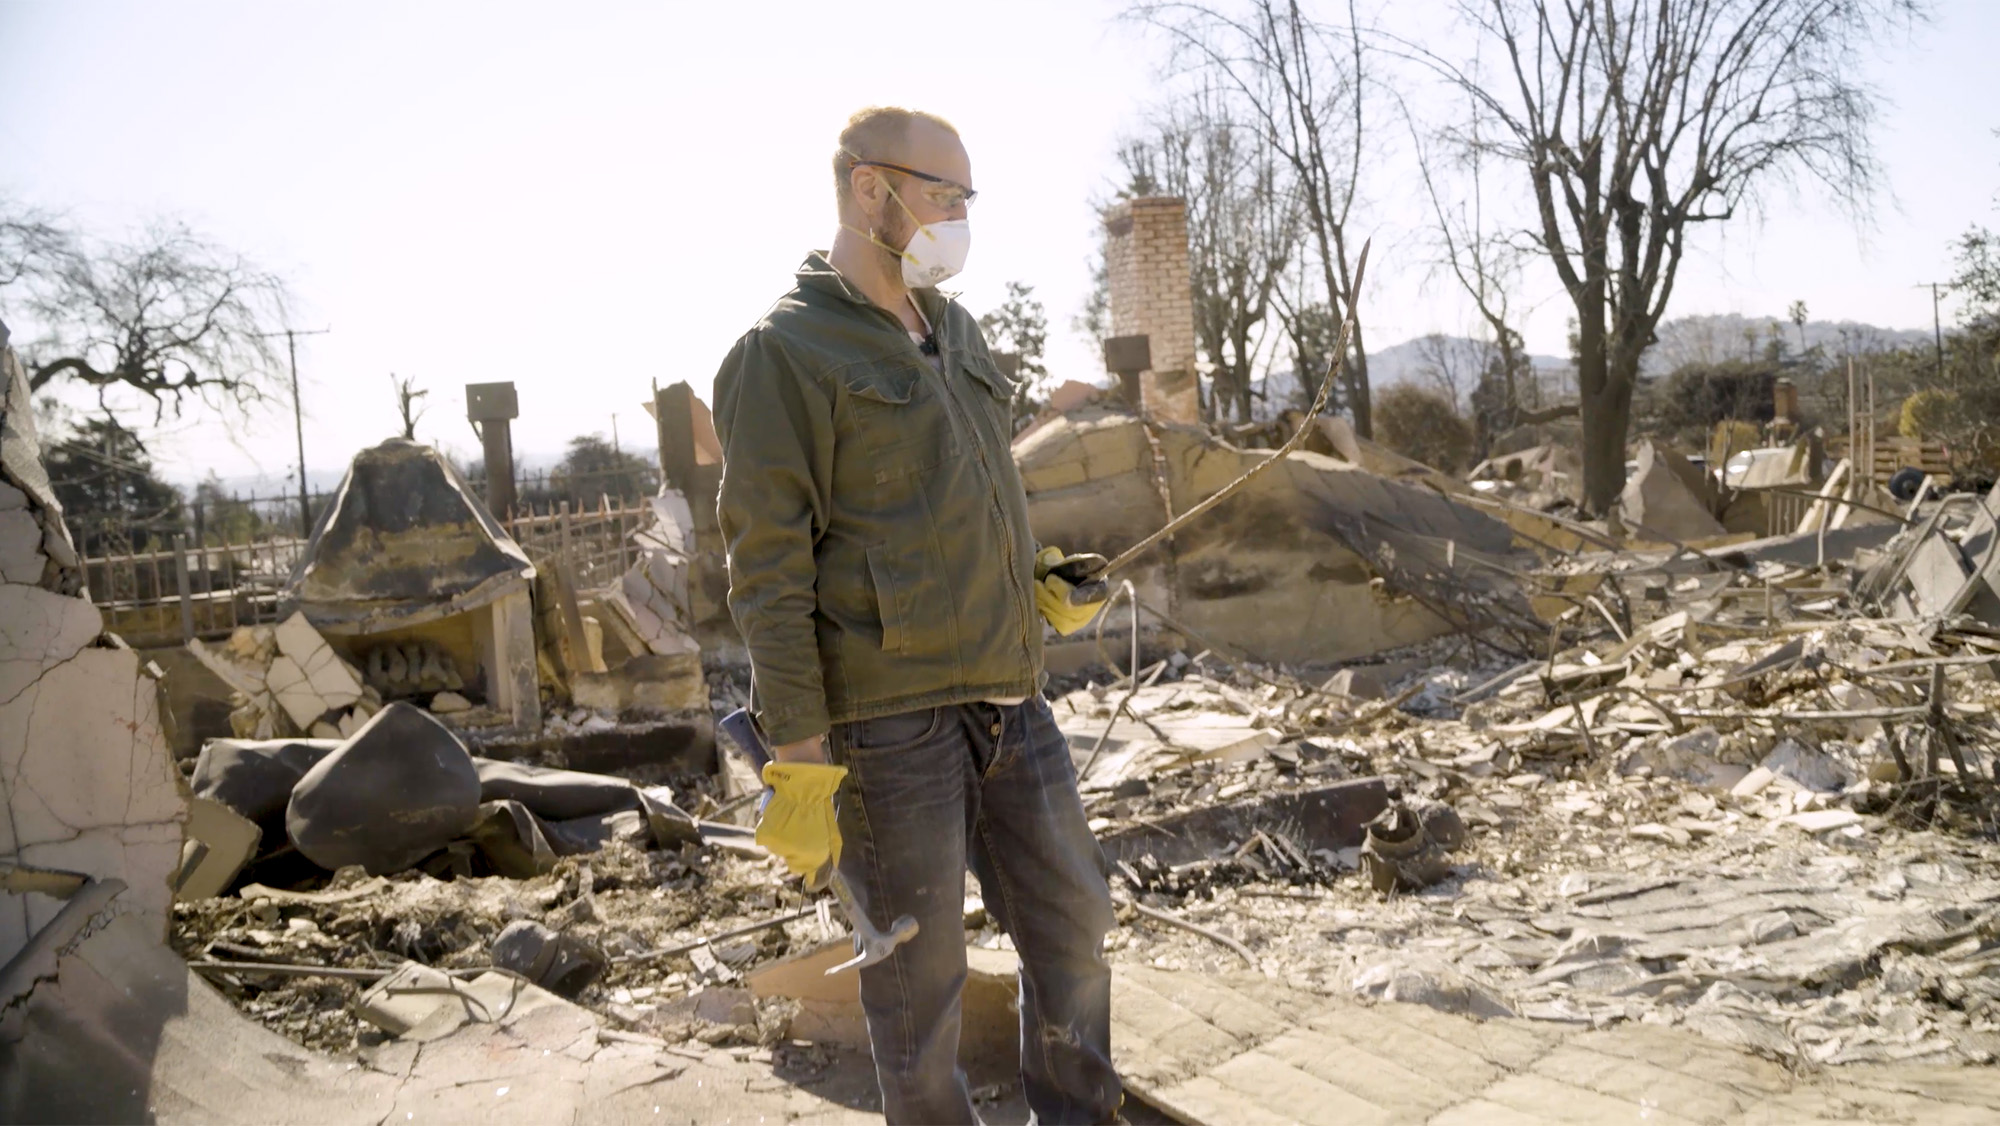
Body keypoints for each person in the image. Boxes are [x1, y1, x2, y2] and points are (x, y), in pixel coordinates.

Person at [711, 106, 1123, 1124]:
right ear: (868, 190)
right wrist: (798, 756)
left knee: (1073, 927)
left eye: (964, 198)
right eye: (943, 195)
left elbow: (961, 494)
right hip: (887, 728)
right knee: (918, 984)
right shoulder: (784, 352)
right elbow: (767, 570)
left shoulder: (958, 330)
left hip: (1006, 701)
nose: (958, 218)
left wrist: (1027, 580)